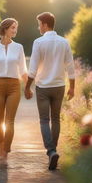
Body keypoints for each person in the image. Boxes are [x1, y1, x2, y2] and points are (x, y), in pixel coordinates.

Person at [24, 12, 75, 170]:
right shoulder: (64, 42)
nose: (38, 27)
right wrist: (72, 87)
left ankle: (51, 151)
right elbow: (71, 67)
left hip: (43, 88)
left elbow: (32, 70)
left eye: (39, 24)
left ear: (45, 24)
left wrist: (27, 87)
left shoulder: (38, 42)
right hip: (59, 86)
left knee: (44, 120)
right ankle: (54, 151)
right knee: (56, 119)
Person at [0, 18, 28, 162]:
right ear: (5, 29)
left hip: (14, 86)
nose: (15, 30)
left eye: (16, 28)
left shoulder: (19, 47)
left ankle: (6, 149)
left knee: (10, 121)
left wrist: (28, 87)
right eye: (13, 28)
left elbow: (23, 70)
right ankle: (1, 144)